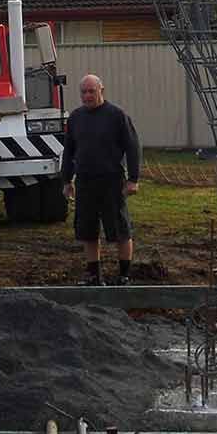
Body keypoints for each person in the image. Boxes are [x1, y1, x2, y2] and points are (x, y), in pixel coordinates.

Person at [62, 73, 141, 285]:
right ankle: (94, 276)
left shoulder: (117, 116)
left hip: (112, 181)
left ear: (101, 91)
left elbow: (133, 148)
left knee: (120, 229)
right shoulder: (75, 118)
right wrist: (66, 180)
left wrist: (133, 179)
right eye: (84, 92)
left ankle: (124, 275)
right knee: (87, 230)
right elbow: (69, 151)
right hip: (85, 182)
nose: (87, 96)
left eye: (91, 91)